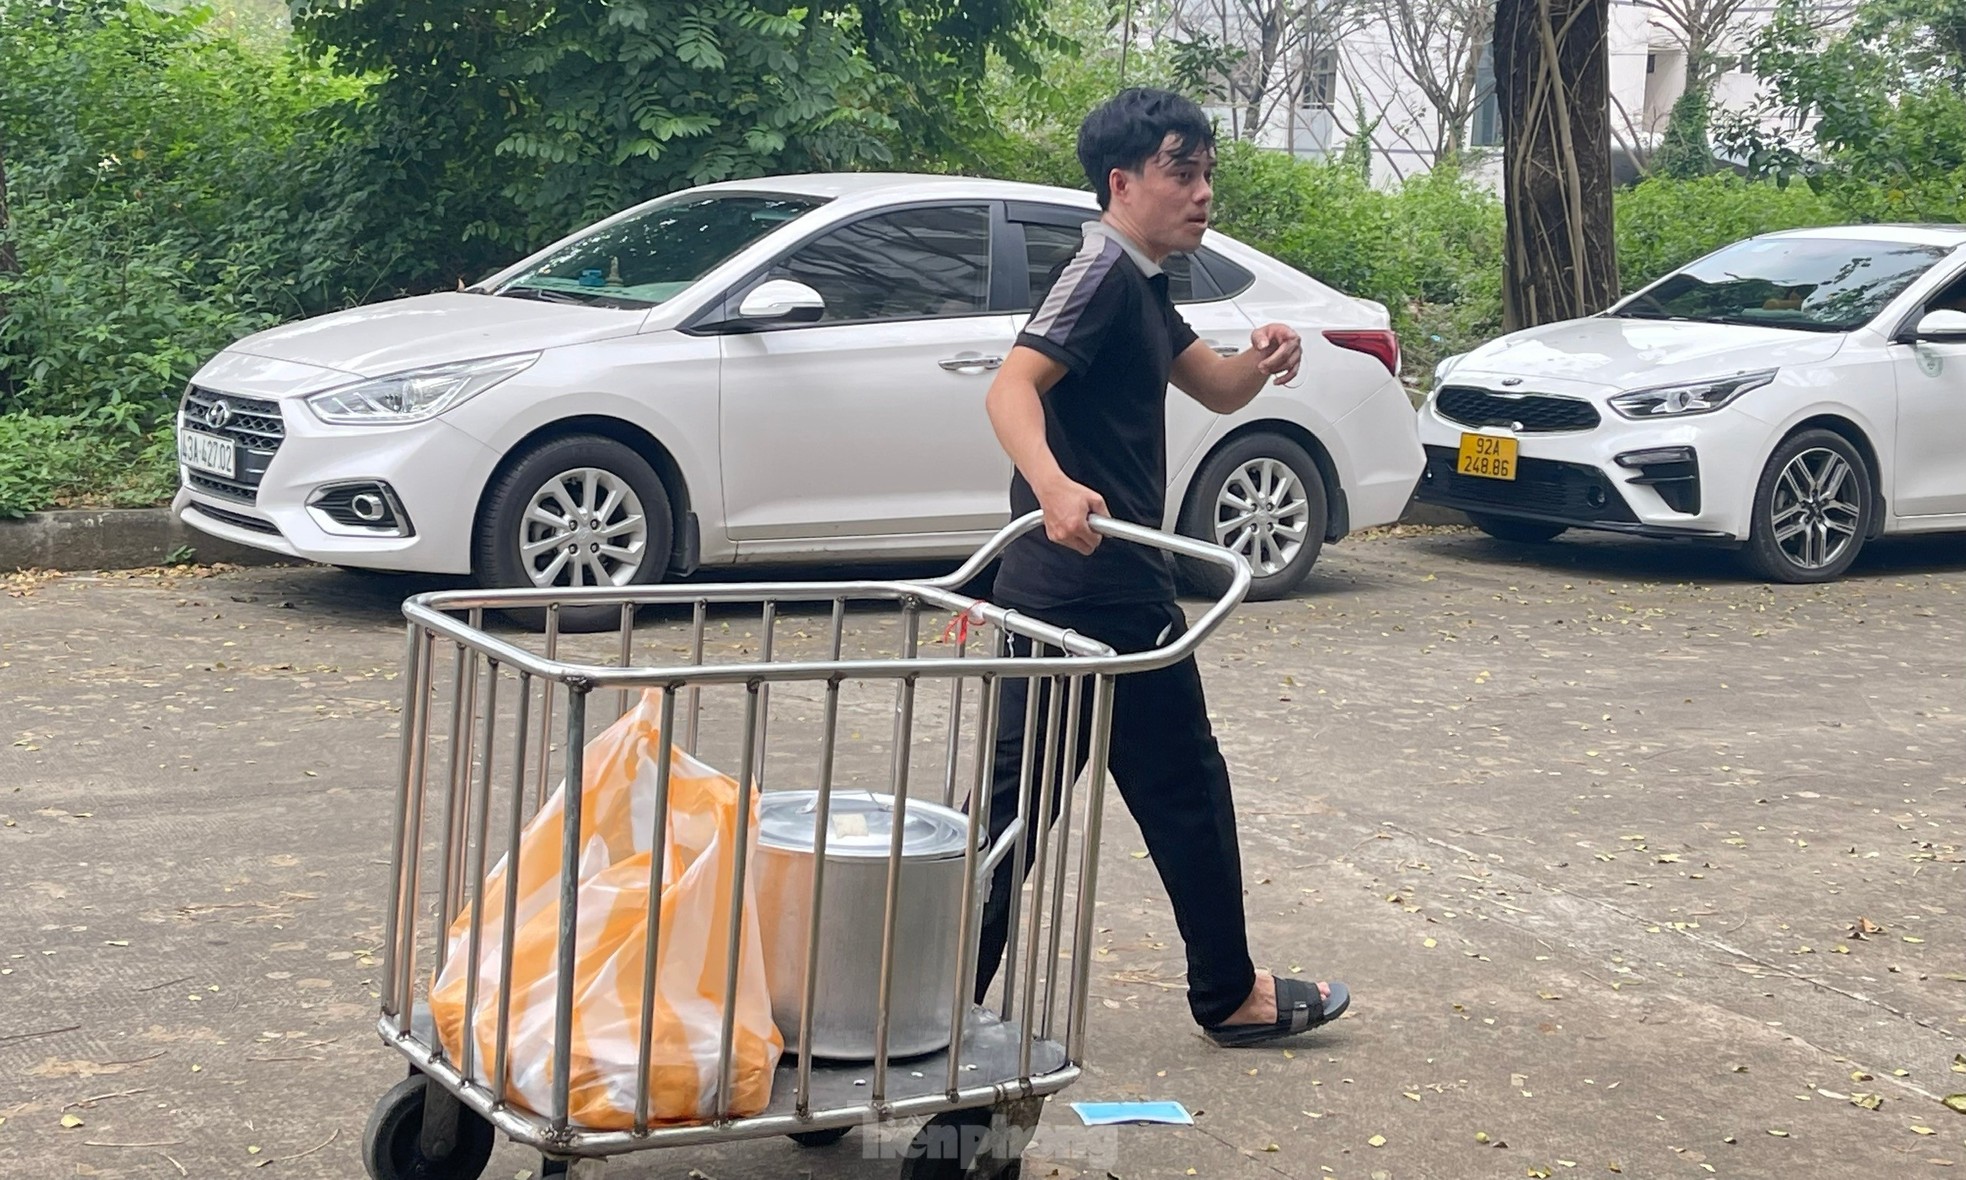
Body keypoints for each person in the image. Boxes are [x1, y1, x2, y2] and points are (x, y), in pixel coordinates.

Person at [971, 87, 1349, 1047]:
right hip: (1092, 591)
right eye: (1183, 172)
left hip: (1103, 590)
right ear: (1122, 182)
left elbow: (1215, 390)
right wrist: (1055, 486)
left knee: (1021, 815)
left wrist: (1261, 357)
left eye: (1209, 172)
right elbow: (1012, 388)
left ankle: (910, 1007)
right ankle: (1227, 993)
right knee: (1132, 797)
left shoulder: (1142, 279)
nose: (1203, 192)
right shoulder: (1099, 272)